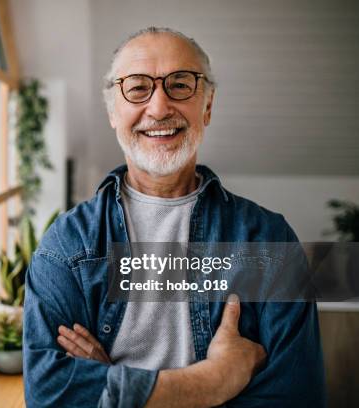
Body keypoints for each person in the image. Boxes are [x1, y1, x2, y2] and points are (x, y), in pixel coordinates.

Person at [22, 27, 326, 407]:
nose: (160, 106)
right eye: (137, 88)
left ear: (208, 105)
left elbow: (297, 398)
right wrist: (214, 381)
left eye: (180, 84)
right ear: (113, 112)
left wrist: (117, 389)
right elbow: (48, 395)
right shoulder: (67, 245)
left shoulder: (269, 238)